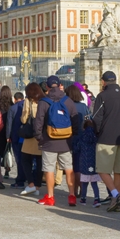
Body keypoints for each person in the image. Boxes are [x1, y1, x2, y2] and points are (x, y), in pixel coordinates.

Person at [91, 71, 120, 212]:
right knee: (118, 171)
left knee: (102, 170)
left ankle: (115, 195)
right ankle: (115, 202)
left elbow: (96, 118)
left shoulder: (102, 96)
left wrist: (98, 132)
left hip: (107, 138)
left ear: (103, 82)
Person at [33, 75, 78, 206]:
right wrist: (72, 135)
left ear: (47, 87)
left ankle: (51, 196)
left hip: (49, 141)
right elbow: (76, 120)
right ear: (59, 85)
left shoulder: (44, 101)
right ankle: (72, 195)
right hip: (66, 141)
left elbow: (38, 122)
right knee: (69, 168)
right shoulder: (68, 101)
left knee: (49, 169)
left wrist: (39, 137)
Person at [18, 84, 44, 195]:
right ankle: (37, 186)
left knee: (25, 159)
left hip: (31, 135)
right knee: (39, 161)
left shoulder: (28, 101)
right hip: (41, 134)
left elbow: (24, 119)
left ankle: (31, 184)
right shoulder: (44, 100)